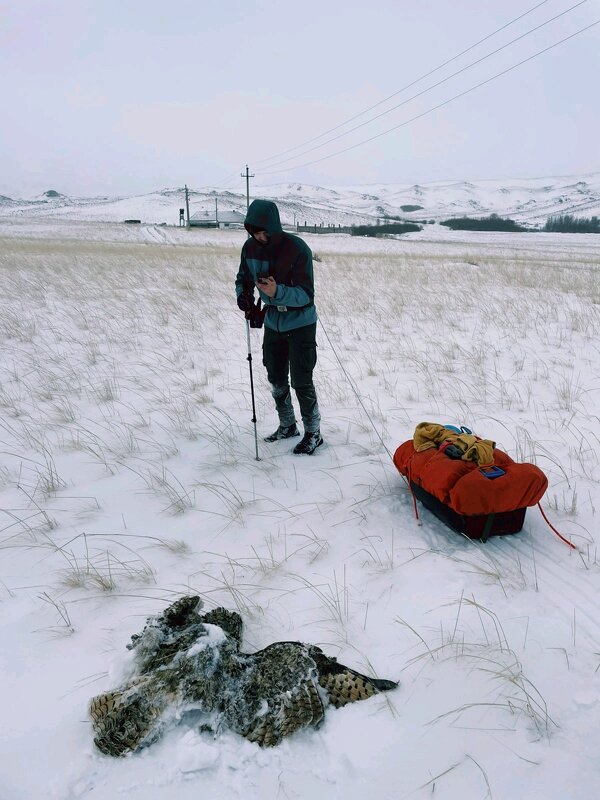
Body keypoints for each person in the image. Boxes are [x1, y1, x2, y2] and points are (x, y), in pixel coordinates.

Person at [235, 199, 323, 455]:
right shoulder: (250, 248)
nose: (258, 237)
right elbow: (243, 278)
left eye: (262, 231)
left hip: (301, 323)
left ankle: (313, 433)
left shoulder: (297, 248)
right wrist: (243, 295)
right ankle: (287, 425)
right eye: (253, 232)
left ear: (273, 227)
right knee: (275, 376)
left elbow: (306, 294)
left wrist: (277, 291)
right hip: (273, 322)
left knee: (301, 380)